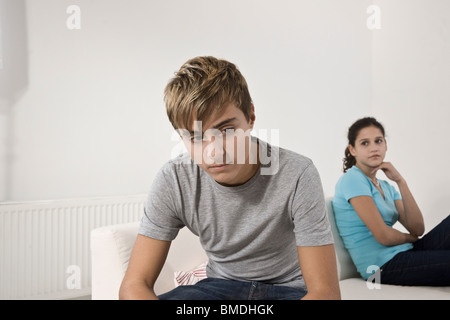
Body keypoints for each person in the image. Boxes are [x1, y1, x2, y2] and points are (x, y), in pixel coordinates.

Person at [119, 56, 340, 300]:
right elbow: (134, 285)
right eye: (196, 137)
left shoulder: (298, 173)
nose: (215, 152)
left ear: (251, 116)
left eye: (226, 130)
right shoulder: (174, 180)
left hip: (288, 291)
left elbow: (325, 292)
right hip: (217, 289)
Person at [332, 117, 450, 286]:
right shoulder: (353, 179)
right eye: (365, 143)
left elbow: (417, 228)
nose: (373, 148)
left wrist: (400, 181)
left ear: (385, 145)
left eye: (378, 141)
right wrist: (411, 239)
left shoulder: (386, 186)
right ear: (352, 149)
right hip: (380, 269)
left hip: (406, 254)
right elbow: (384, 237)